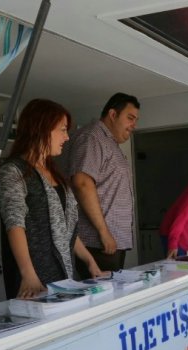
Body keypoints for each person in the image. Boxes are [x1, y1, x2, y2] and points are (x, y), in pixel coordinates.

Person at [0, 99, 105, 299]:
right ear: (42, 128)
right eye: (63, 130)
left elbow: (67, 228)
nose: (66, 137)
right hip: (35, 281)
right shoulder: (13, 171)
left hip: (66, 275)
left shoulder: (55, 173)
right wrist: (28, 274)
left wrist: (90, 261)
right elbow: (14, 224)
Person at [64, 92, 140, 277]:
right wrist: (104, 232)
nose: (133, 125)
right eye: (130, 118)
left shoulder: (108, 142)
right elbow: (82, 182)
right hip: (97, 242)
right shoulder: (92, 137)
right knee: (100, 299)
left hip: (108, 242)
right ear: (113, 114)